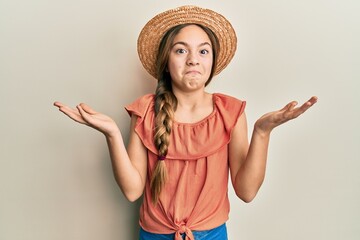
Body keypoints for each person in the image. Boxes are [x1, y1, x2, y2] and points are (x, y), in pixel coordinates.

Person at [54, 5, 318, 240]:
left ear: (212, 62)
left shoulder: (231, 111)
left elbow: (247, 192)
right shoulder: (146, 111)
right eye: (181, 50)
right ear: (166, 63)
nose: (193, 59)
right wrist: (111, 133)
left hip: (213, 234)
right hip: (154, 235)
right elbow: (133, 191)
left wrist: (262, 132)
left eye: (203, 51)